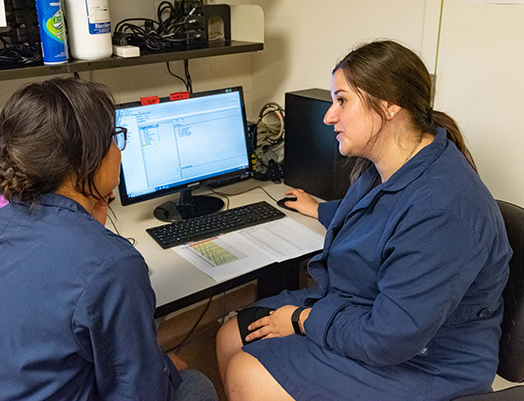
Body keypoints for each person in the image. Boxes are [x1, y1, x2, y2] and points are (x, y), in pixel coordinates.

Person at [216, 40, 511, 401]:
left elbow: (389, 338)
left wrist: (300, 321)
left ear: (388, 105)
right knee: (231, 335)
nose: (329, 115)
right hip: (362, 310)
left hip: (426, 363)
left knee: (246, 371)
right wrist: (318, 209)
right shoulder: (384, 166)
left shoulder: (443, 208)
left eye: (342, 100)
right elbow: (377, 216)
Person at [0, 78, 217, 401]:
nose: (118, 149)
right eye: (113, 138)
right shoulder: (113, 264)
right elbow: (140, 393)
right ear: (86, 160)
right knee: (195, 384)